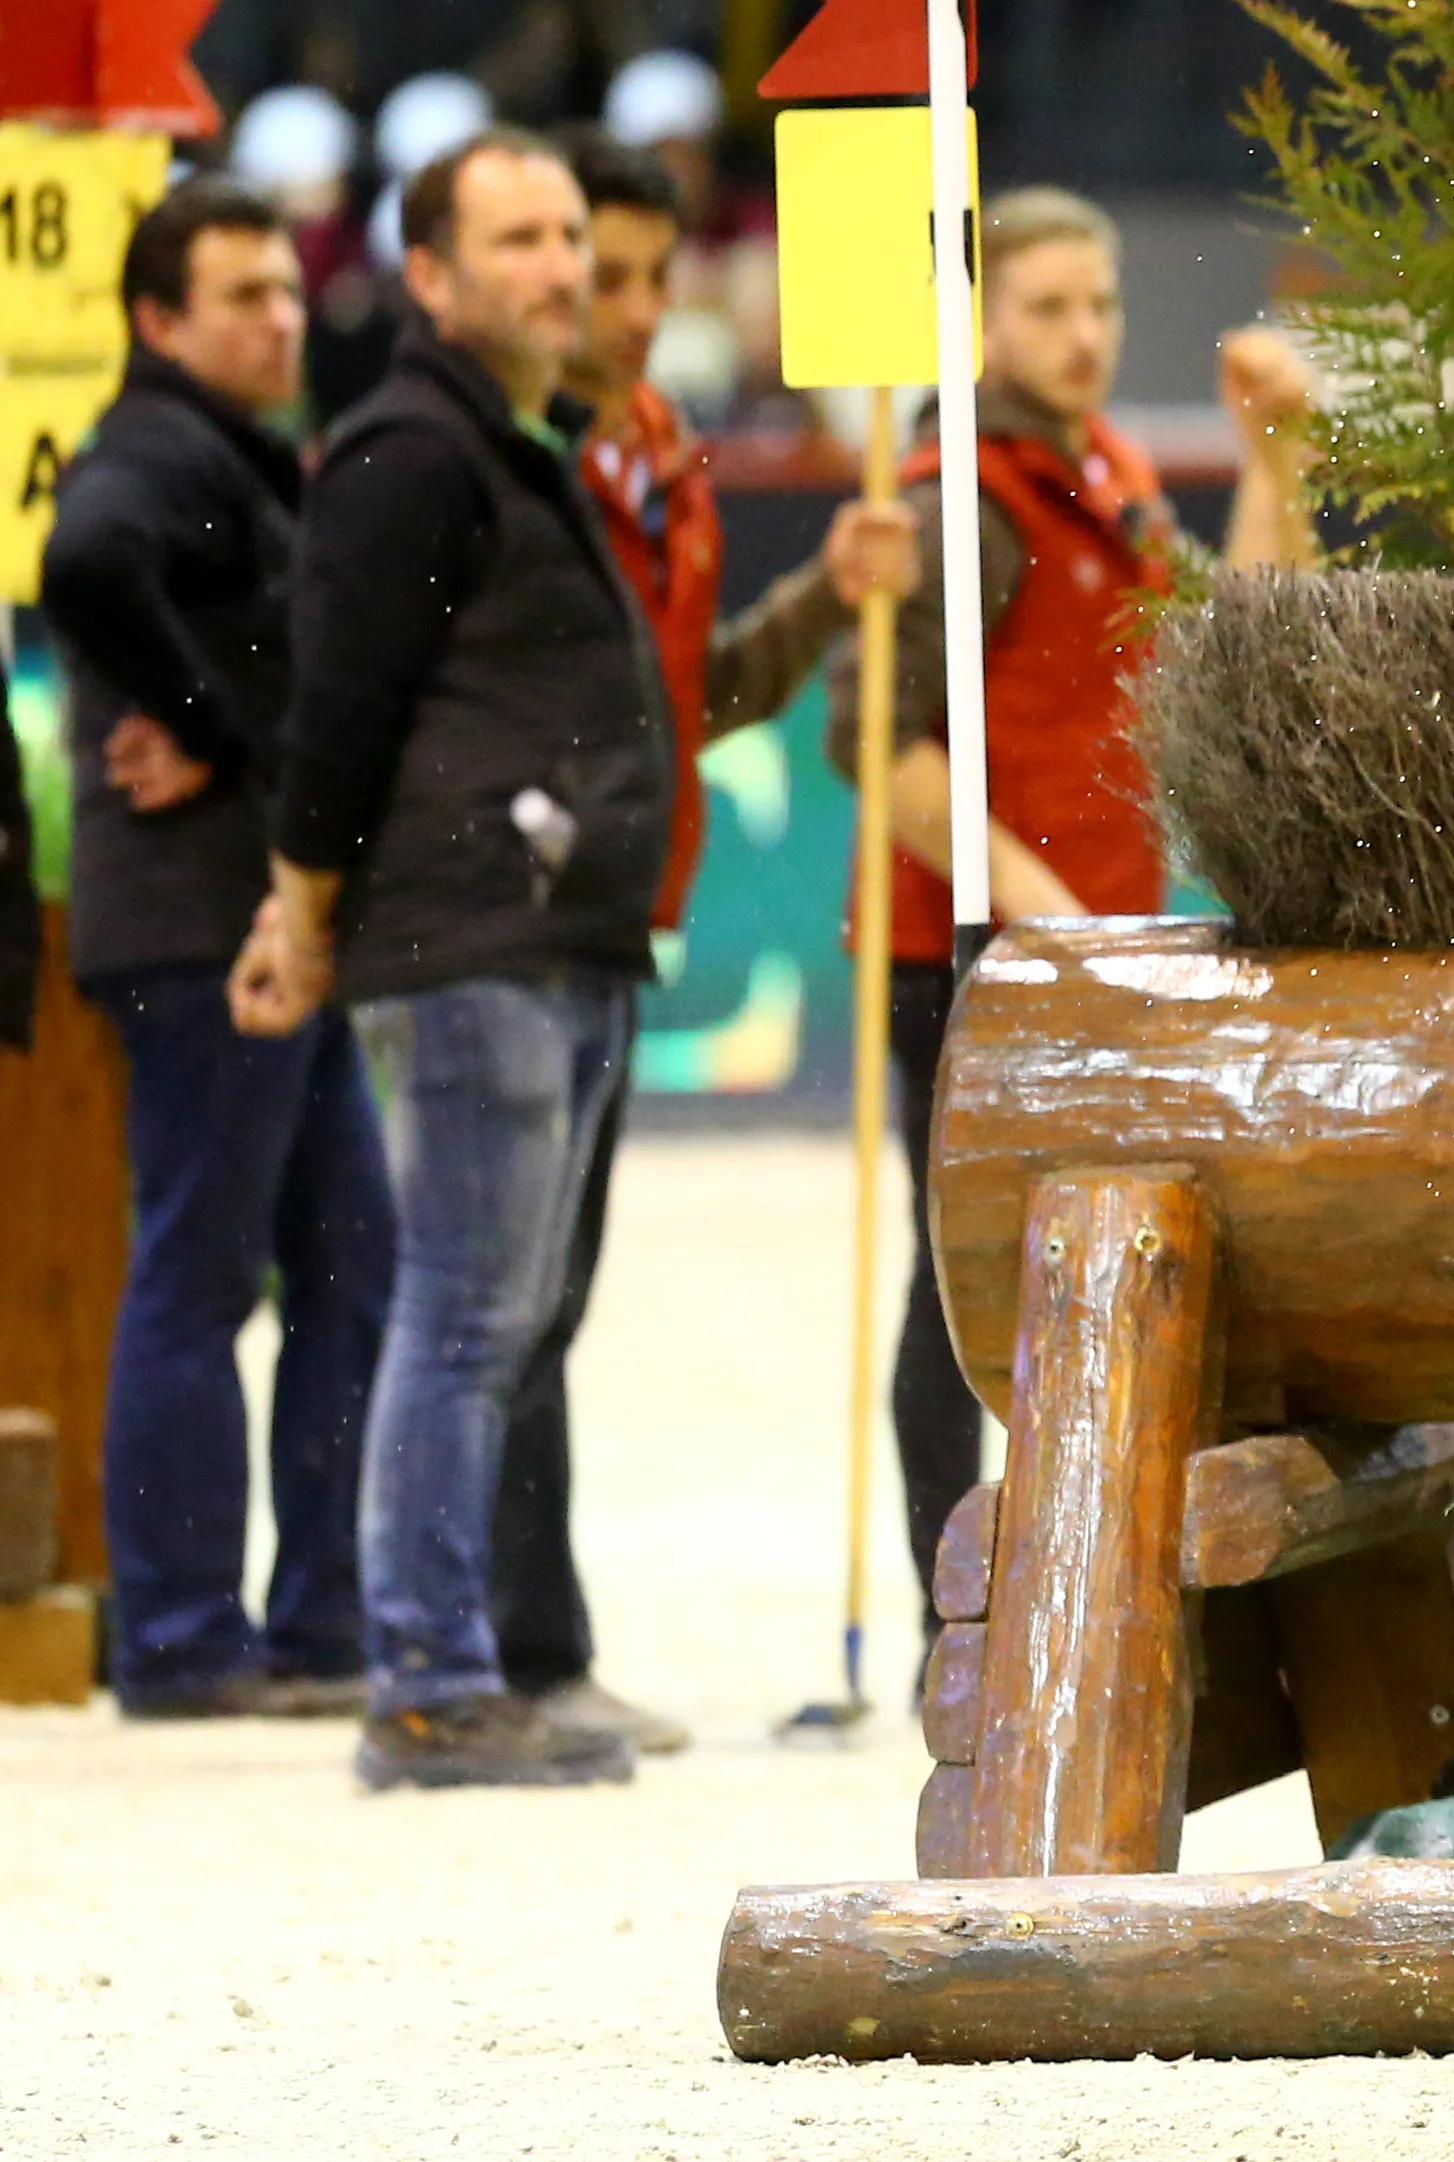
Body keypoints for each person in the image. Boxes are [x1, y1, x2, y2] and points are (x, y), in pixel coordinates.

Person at [229, 127, 670, 1790]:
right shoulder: (412, 451)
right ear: (428, 274)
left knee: (496, 1314)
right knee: (468, 1314)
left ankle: (453, 1657)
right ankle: (424, 1678)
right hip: (478, 933)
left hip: (543, 932)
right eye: (522, 240)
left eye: (568, 234)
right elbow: (336, 713)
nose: (564, 266)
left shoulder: (497, 442)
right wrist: (297, 912)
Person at [472, 133, 912, 1756]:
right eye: (608, 275)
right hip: (512, 918)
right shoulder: (511, 461)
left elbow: (687, 698)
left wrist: (822, 599)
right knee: (498, 1302)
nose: (641, 307)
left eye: (659, 276)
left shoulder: (656, 445)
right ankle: (493, 1651)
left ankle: (496, 1642)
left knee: (539, 1296)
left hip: (614, 917)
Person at [823, 188, 1314, 1620]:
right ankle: (949, 1610)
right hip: (967, 953)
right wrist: (1033, 909)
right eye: (1047, 307)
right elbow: (876, 745)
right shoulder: (955, 500)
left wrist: (1276, 458)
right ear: (980, 323)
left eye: (1099, 303)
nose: (1085, 333)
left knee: (1093, 1259)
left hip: (1089, 949)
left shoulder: (1109, 470)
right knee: (964, 1276)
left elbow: (1234, 643)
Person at [43, 178, 389, 1720]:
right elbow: (83, 565)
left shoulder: (226, 449)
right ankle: (184, 1636)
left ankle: (318, 1620)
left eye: (286, 289)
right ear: (157, 320)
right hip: (199, 926)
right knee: (204, 1268)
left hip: (258, 920)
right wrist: (212, 728)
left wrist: (220, 717)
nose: (279, 318)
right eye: (242, 294)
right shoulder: (159, 444)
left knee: (350, 1257)